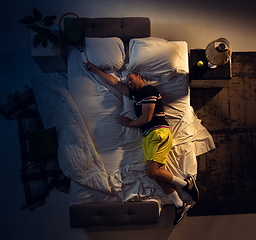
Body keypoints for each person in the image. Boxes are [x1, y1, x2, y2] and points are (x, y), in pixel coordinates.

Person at [84, 62, 199, 225]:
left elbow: (146, 118)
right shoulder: (135, 94)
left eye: (131, 79)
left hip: (158, 133)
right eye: (127, 81)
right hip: (148, 137)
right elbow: (114, 83)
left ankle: (186, 183)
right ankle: (180, 204)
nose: (128, 82)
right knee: (156, 173)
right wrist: (94, 69)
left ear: (140, 77)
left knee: (151, 172)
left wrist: (128, 123)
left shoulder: (148, 91)